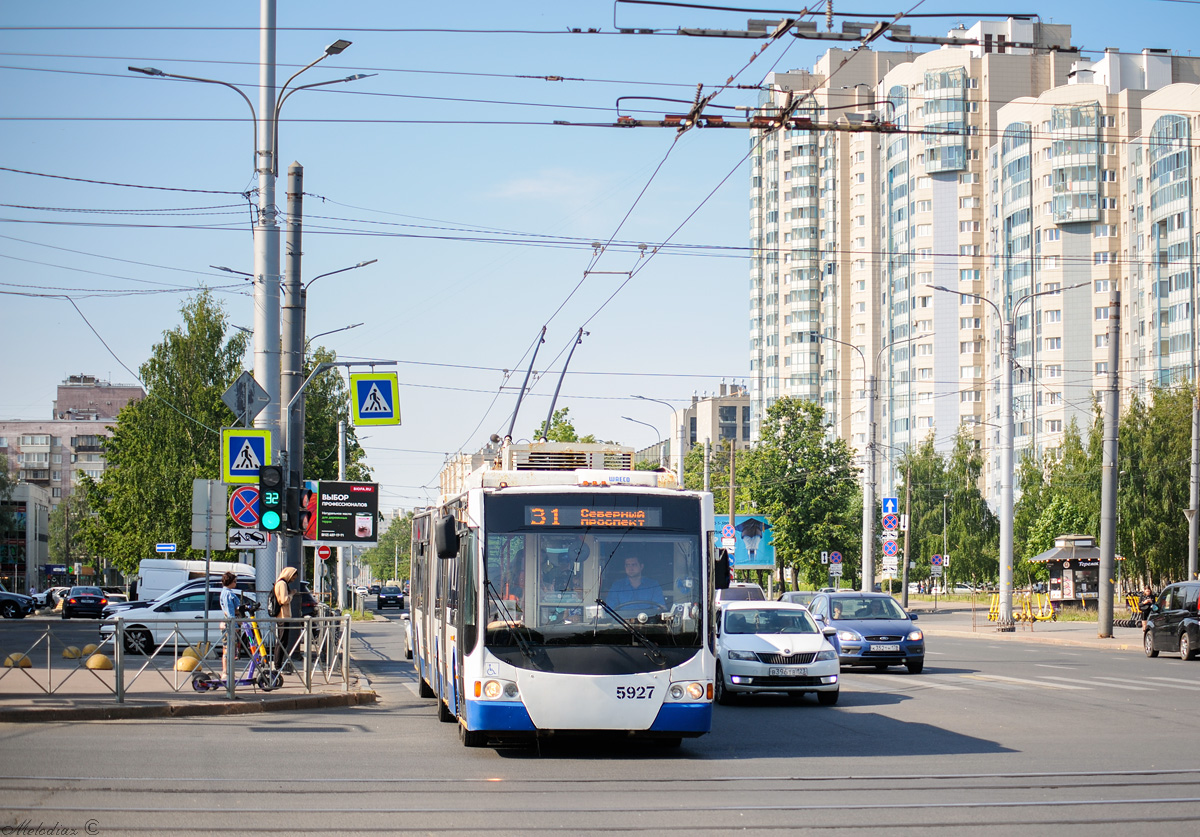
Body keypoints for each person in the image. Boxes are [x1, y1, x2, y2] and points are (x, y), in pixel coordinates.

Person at [273, 566, 299, 670]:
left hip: (282, 615)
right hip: (283, 615)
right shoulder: (282, 584)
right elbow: (284, 600)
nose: (292, 580)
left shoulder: (280, 583)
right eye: (293, 578)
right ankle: (278, 665)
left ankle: (278, 663)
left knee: (282, 640)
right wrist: (291, 594)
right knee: (282, 641)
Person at [219, 571, 241, 666]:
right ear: (230, 582)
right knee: (228, 648)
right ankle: (226, 671)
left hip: (228, 622)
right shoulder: (228, 594)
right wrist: (234, 625)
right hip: (229, 624)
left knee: (229, 648)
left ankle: (228, 671)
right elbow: (229, 611)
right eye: (235, 581)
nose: (236, 583)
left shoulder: (227, 592)